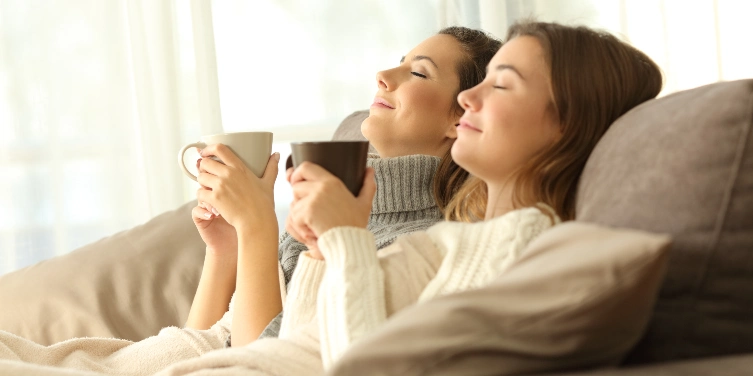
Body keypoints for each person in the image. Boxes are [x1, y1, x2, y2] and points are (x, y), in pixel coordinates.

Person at [146, 19, 664, 375]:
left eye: (500, 86)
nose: (468, 100)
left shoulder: (527, 252)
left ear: (565, 124)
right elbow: (293, 344)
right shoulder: (456, 241)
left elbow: (319, 358)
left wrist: (336, 240)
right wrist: (313, 247)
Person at [0, 26, 501, 374]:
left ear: (462, 116)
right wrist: (225, 250)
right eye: (396, 61)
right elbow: (202, 347)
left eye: (417, 73)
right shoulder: (342, 211)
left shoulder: (421, 246)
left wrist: (259, 222)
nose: (383, 76)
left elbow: (266, 361)